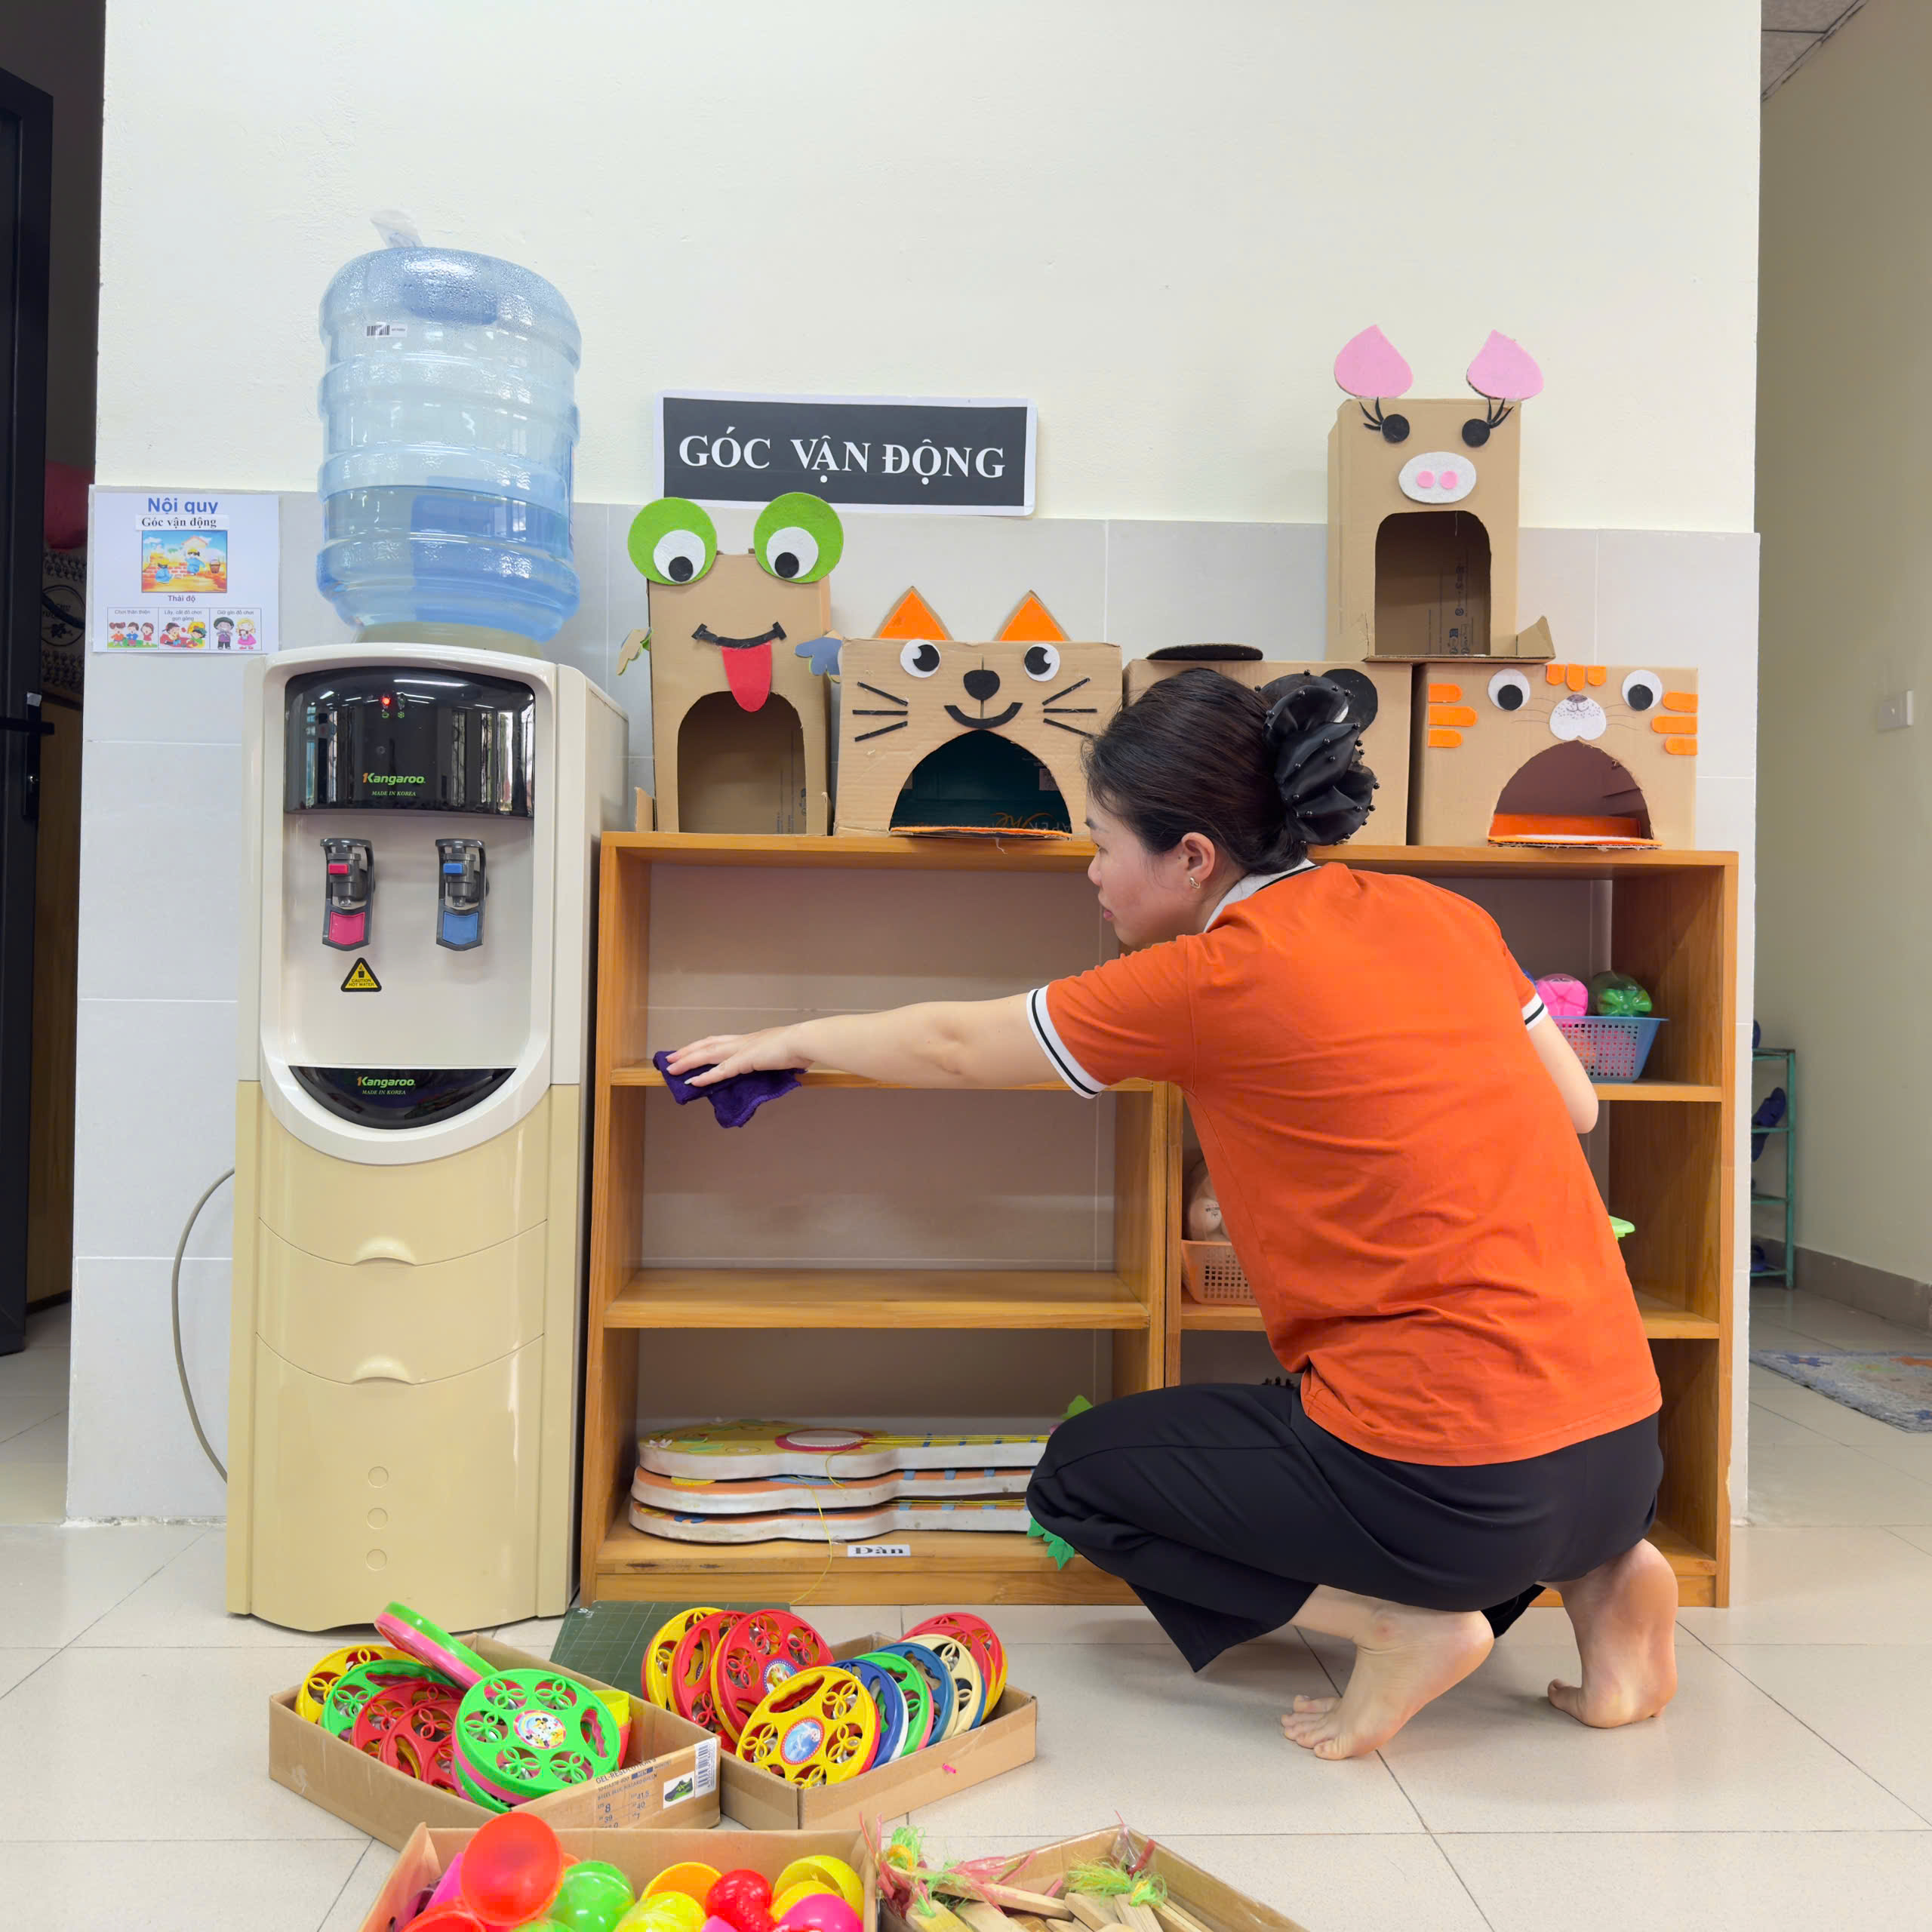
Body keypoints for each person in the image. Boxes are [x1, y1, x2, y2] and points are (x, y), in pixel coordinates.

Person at [666, 668, 1678, 1761]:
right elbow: (1575, 1106)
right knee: (1353, 1419)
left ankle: (1400, 1626)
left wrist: (790, 1038)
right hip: (1623, 1447)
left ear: (1194, 857)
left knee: (1080, 1479)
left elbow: (956, 1044)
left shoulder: (1214, 975)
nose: (1092, 871)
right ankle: (1606, 1581)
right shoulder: (1444, 913)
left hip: (1459, 1489)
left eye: (1104, 842)